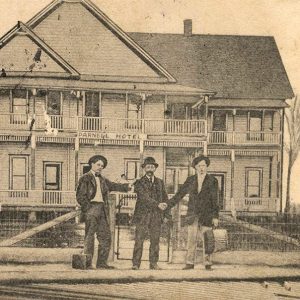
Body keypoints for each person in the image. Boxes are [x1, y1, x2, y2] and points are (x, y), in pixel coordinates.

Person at [76, 155, 132, 269]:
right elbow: (80, 196)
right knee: (89, 237)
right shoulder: (85, 178)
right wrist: (88, 209)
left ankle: (101, 263)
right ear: (92, 164)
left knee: (105, 236)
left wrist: (128, 186)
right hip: (92, 208)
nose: (100, 167)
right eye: (98, 165)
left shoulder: (102, 179)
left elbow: (114, 185)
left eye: (102, 165)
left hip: (103, 210)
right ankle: (87, 264)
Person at [167, 155, 219, 270]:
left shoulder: (213, 181)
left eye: (204, 166)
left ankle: (208, 263)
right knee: (191, 239)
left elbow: (215, 199)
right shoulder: (190, 180)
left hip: (207, 215)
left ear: (207, 167)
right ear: (195, 167)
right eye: (199, 166)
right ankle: (190, 263)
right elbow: (179, 194)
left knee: (207, 238)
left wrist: (215, 216)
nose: (202, 168)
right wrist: (168, 204)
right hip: (193, 214)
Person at [131, 157, 169, 270]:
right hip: (142, 215)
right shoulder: (139, 183)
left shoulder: (160, 182)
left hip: (156, 216)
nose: (150, 169)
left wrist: (166, 214)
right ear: (144, 168)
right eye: (148, 167)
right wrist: (157, 204)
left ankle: (153, 263)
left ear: (155, 169)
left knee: (155, 240)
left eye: (152, 167)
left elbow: (165, 198)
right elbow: (143, 198)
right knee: (139, 240)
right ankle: (136, 264)